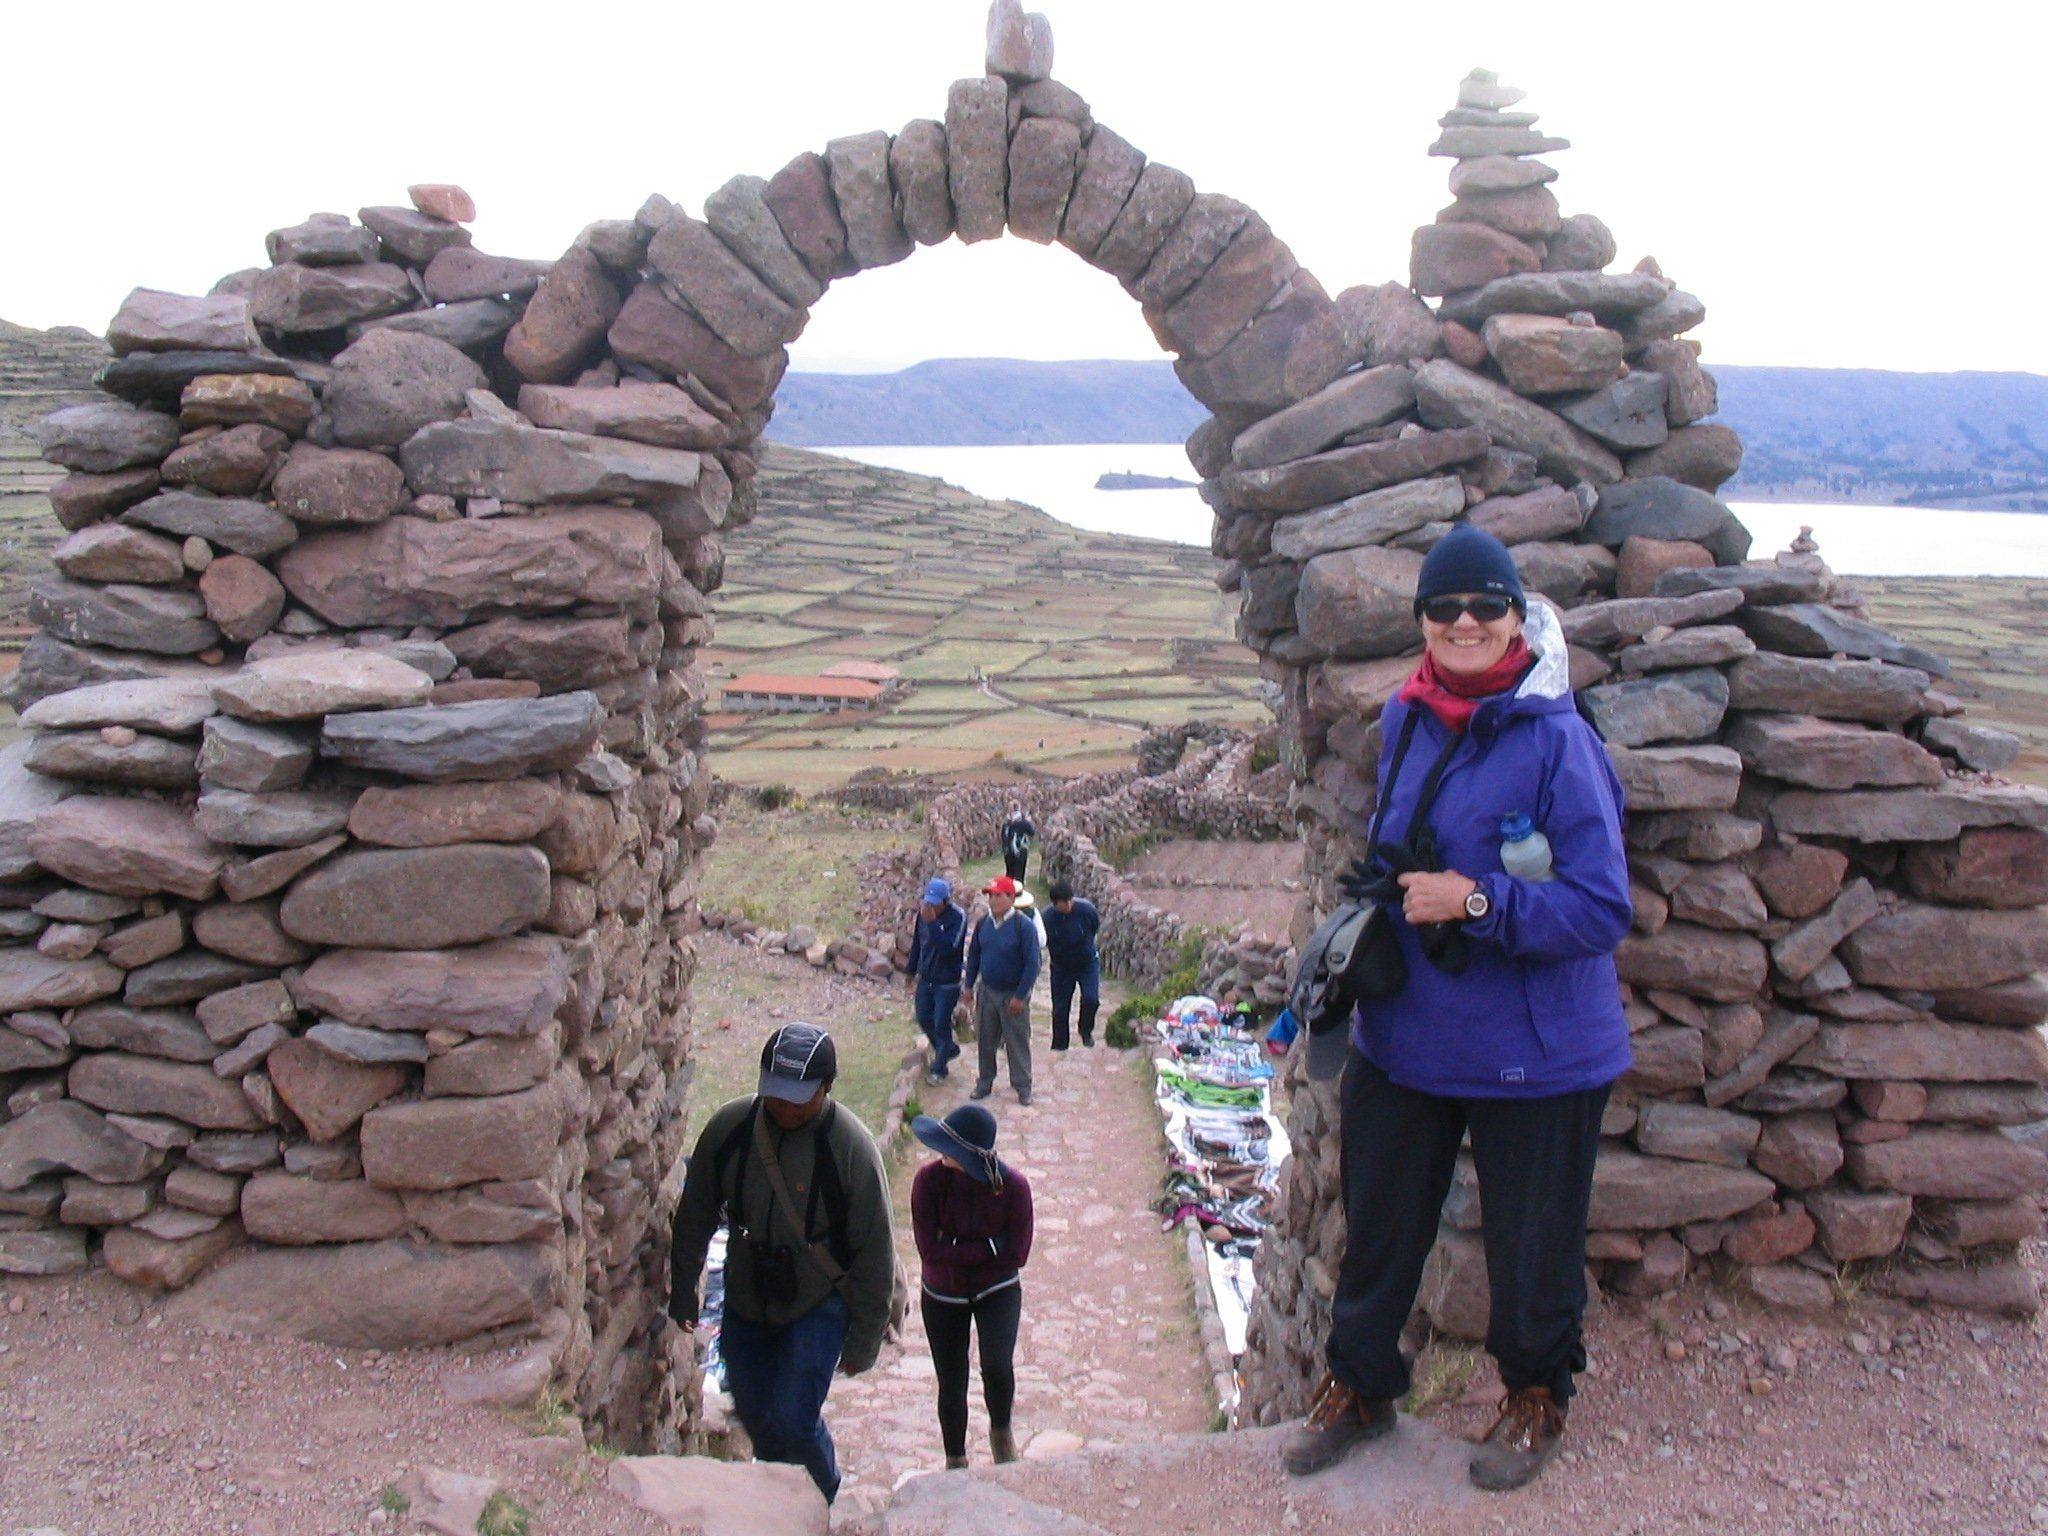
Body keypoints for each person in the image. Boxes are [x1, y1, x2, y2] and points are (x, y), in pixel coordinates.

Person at [1281, 524, 1632, 1493]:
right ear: (1421, 622)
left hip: (1537, 1047)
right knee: (1379, 1223)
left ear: (1518, 617)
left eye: (1484, 605)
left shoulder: (1558, 741)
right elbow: (1406, 845)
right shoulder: (1408, 717)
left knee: (1532, 1244)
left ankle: (1534, 1397)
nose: (1464, 621)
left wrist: (1475, 901)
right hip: (1409, 1034)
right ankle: (1358, 1387)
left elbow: (1602, 907)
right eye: (1443, 607)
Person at [670, 1024, 897, 1503]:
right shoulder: (731, 1130)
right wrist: (682, 1288)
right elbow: (695, 1214)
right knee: (754, 1411)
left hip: (817, 1303)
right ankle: (783, 1500)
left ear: (826, 1088)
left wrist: (864, 1342)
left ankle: (824, 1497)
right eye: (775, 1094)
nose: (784, 1107)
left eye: (798, 1098)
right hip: (748, 1293)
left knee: (795, 1417)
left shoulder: (851, 1150)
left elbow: (876, 1252)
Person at [910, 1104, 1034, 1469]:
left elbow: (1018, 1253)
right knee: (951, 1381)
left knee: (997, 1366)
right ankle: (956, 1459)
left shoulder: (1014, 1187)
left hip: (998, 1290)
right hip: (942, 1294)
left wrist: (955, 1247)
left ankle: (1001, 1433)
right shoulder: (927, 1182)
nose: (940, 1153)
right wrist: (990, 1247)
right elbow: (928, 1251)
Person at [963, 875, 1039, 1106]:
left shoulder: (1023, 927)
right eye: (990, 895)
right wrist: (968, 985)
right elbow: (975, 954)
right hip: (987, 991)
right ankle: (985, 1081)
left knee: (1017, 1041)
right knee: (985, 1039)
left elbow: (1032, 964)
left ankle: (1023, 1086)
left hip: (1012, 995)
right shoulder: (984, 924)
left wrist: (1020, 996)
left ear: (1010, 898)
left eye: (998, 895)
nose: (992, 900)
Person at [904, 877, 967, 1084]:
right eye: (928, 901)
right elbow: (917, 944)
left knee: (941, 1022)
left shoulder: (958, 917)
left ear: (946, 901)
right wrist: (911, 971)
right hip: (927, 978)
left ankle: (940, 1068)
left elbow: (949, 949)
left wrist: (933, 924)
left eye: (935, 902)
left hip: (947, 981)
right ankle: (947, 1049)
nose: (930, 906)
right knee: (923, 1017)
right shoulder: (923, 914)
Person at [1041, 878, 1101, 1050]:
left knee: (1091, 999)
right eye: (1063, 903)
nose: (1068, 905)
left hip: (1087, 964)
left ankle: (1085, 1030)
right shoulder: (1047, 918)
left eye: (1069, 901)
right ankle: (1060, 1045)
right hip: (1062, 967)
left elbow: (1095, 927)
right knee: (1060, 1008)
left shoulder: (1087, 910)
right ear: (1055, 904)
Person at [1000, 801, 1035, 882]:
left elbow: (1002, 836)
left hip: (1007, 851)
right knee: (1019, 875)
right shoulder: (1023, 822)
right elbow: (1032, 833)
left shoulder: (1006, 823)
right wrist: (1028, 822)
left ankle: (1008, 891)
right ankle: (1018, 892)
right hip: (1020, 850)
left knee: (1009, 874)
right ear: (1018, 808)